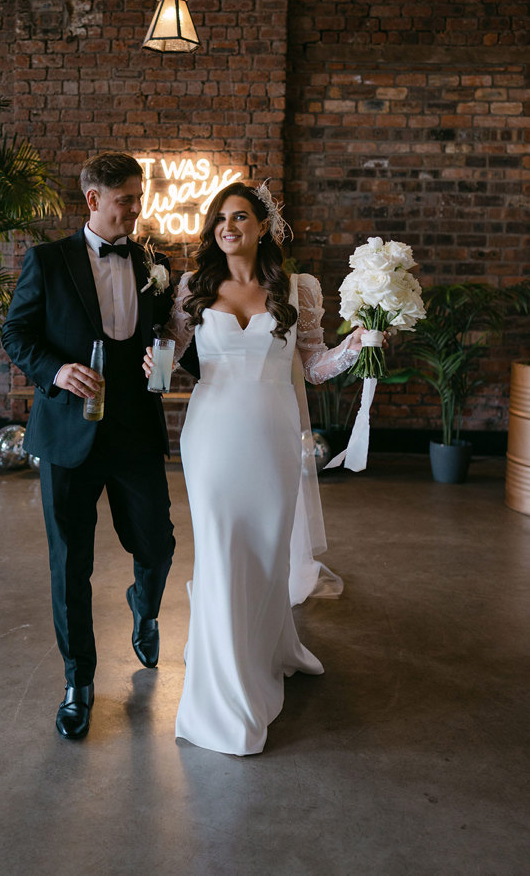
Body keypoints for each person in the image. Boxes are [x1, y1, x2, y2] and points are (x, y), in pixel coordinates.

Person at [143, 182, 367, 756]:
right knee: (220, 551)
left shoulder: (296, 290)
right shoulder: (193, 287)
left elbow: (314, 365)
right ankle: (224, 696)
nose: (228, 228)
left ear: (263, 225)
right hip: (211, 435)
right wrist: (153, 363)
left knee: (266, 552)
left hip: (272, 436)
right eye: (219, 219)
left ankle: (268, 647)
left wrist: (360, 344)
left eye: (239, 217)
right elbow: (166, 362)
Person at [2, 151, 183, 743]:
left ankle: (145, 603)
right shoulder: (48, 261)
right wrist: (55, 371)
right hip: (67, 437)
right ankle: (78, 683)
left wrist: (163, 357)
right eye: (126, 199)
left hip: (133, 429)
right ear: (92, 201)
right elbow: (17, 333)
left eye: (139, 197)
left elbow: (164, 332)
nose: (136, 208)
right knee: (70, 564)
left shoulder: (155, 263)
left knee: (157, 539)